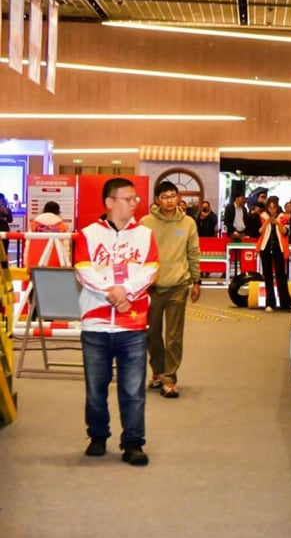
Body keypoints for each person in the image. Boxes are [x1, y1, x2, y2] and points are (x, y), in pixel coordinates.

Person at [74, 177, 159, 466]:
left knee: (133, 389)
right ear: (109, 202)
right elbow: (83, 270)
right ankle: (98, 436)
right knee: (95, 388)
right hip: (96, 324)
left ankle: (133, 443)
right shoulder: (88, 234)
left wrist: (126, 292)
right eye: (128, 199)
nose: (134, 203)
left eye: (136, 199)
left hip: (132, 324)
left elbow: (150, 270)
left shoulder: (145, 235)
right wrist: (110, 293)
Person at [140, 181, 201, 398]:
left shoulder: (188, 223)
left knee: (174, 336)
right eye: (165, 197)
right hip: (152, 287)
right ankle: (158, 372)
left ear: (178, 198)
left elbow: (193, 253)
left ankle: (169, 379)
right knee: (151, 334)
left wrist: (196, 281)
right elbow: (139, 254)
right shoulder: (145, 223)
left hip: (178, 285)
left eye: (173, 196)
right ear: (157, 200)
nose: (169, 200)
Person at [258, 196, 291, 312]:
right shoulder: (263, 216)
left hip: (279, 248)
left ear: (277, 207)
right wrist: (267, 222)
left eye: (274, 208)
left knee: (281, 275)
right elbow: (260, 231)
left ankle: (285, 302)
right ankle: (270, 303)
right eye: (270, 207)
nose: (272, 210)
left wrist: (277, 223)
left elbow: (285, 232)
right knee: (267, 276)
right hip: (266, 248)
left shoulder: (283, 217)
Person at [26, 201, 70, 267]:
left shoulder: (34, 225)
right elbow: (66, 249)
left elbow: (27, 246)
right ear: (58, 212)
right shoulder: (62, 227)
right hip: (56, 262)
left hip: (34, 262)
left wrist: (26, 263)